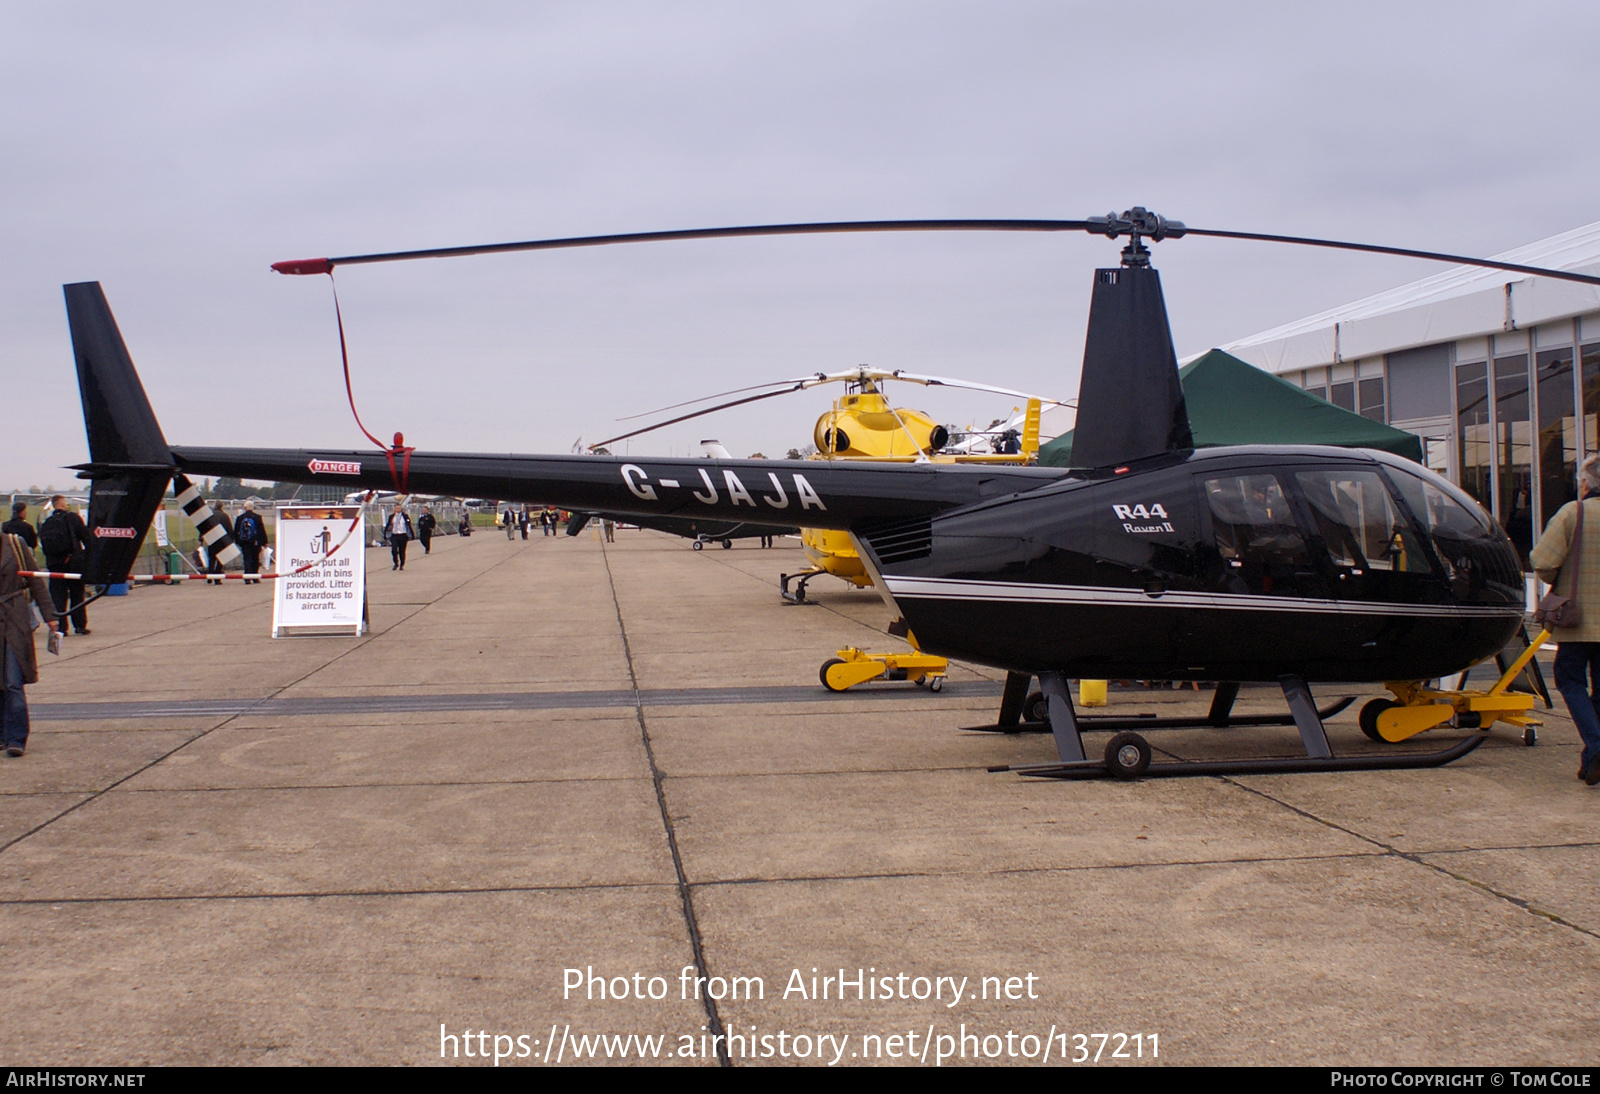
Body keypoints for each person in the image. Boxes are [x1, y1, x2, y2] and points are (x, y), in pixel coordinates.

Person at [1531, 453, 1600, 786]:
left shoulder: (1575, 513)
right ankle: (1591, 763)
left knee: (1569, 679)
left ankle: (1597, 747)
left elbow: (1542, 562)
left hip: (1579, 620)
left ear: (1585, 483)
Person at [2, 530, 62, 757]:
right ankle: (2, 734)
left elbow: (36, 581)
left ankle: (16, 738)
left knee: (12, 680)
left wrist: (50, 616)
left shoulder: (15, 545)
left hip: (14, 618)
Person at [38, 495, 90, 634]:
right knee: (77, 594)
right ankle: (79, 625)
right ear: (63, 504)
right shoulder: (73, 518)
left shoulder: (47, 522)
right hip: (72, 562)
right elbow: (86, 537)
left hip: (55, 564)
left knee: (58, 595)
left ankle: (61, 627)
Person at [234, 499, 269, 583]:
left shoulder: (240, 518)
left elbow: (236, 531)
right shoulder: (257, 517)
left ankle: (247, 577)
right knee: (255, 559)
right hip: (255, 542)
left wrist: (238, 541)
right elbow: (261, 530)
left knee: (247, 559)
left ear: (245, 508)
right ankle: (255, 577)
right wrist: (265, 542)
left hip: (245, 542)